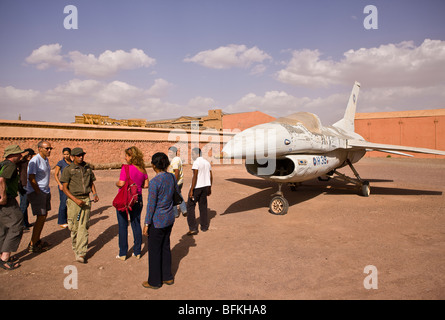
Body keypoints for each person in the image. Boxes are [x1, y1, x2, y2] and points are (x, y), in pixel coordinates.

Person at [142, 152, 177, 289]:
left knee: (155, 251)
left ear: (154, 165)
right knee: (165, 247)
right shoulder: (171, 177)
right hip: (169, 218)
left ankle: (155, 281)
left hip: (157, 221)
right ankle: (167, 277)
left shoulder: (155, 182)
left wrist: (146, 224)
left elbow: (151, 206)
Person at [60, 147, 99, 263]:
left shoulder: (87, 168)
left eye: (82, 155)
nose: (81, 157)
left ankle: (81, 253)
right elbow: (64, 188)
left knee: (84, 226)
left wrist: (95, 193)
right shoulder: (68, 170)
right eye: (78, 155)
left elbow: (91, 182)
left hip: (86, 200)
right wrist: (75, 200)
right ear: (73, 157)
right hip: (73, 201)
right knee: (74, 227)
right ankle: (76, 248)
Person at [115, 146, 148, 261]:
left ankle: (123, 253)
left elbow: (121, 183)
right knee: (136, 224)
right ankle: (137, 252)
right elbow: (146, 185)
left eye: (127, 155)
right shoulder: (143, 169)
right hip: (137, 199)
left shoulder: (126, 168)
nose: (125, 157)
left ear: (131, 157)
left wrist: (117, 183)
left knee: (123, 226)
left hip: (125, 199)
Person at [0, 145, 25, 270]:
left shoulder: (2, 164)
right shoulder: (10, 166)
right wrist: (3, 196)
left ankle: (1, 253)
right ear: (12, 155)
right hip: (7, 199)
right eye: (18, 154)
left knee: (4, 226)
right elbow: (1, 179)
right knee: (17, 224)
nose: (20, 156)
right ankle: (5, 258)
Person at [26, 140, 52, 253]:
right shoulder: (35, 160)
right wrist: (38, 191)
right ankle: (33, 244)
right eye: (47, 148)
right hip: (38, 192)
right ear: (40, 148)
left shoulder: (45, 159)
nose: (49, 150)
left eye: (50, 148)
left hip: (45, 191)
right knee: (40, 217)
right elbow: (31, 178)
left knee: (43, 216)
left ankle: (36, 240)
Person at [186, 148, 213, 235]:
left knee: (190, 207)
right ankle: (204, 226)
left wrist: (192, 190)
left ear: (197, 154)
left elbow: (195, 176)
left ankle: (193, 228)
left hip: (197, 187)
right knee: (203, 206)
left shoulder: (196, 162)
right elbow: (211, 176)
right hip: (205, 187)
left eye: (193, 154)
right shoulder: (207, 162)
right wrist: (209, 188)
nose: (192, 156)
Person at [17, 148, 35, 230]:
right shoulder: (22, 163)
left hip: (28, 185)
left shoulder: (29, 163)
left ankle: (26, 222)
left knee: (26, 204)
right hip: (24, 185)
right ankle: (22, 224)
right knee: (23, 205)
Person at [167, 146, 187, 218]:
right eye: (169, 152)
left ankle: (177, 212)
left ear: (175, 152)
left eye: (170, 152)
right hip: (179, 181)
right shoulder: (177, 159)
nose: (169, 153)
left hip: (176, 181)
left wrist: (174, 182)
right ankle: (183, 210)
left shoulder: (175, 160)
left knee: (174, 196)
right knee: (177, 195)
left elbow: (176, 172)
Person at [54, 147, 72, 229]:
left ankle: (69, 219)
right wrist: (59, 184)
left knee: (70, 203)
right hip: (63, 186)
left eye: (67, 154)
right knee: (63, 203)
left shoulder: (72, 163)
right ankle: (62, 221)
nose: (66, 156)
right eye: (64, 154)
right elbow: (56, 174)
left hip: (70, 186)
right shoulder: (60, 163)